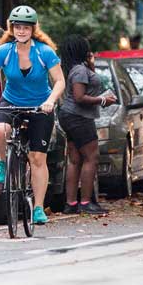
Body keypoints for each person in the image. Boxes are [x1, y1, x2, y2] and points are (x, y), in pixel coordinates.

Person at [0, 6, 65, 225]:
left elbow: (60, 81)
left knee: (37, 158)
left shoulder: (44, 52)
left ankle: (39, 208)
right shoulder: (5, 51)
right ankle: (3, 160)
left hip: (40, 106)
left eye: (25, 27)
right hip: (11, 102)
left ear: (33, 29)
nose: (21, 31)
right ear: (12, 28)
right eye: (17, 27)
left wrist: (50, 101)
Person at [59, 35, 117, 215]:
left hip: (69, 115)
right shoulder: (79, 71)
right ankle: (85, 202)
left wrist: (91, 65)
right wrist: (102, 100)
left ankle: (71, 203)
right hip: (79, 117)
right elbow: (79, 97)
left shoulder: (77, 69)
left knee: (75, 159)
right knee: (91, 157)